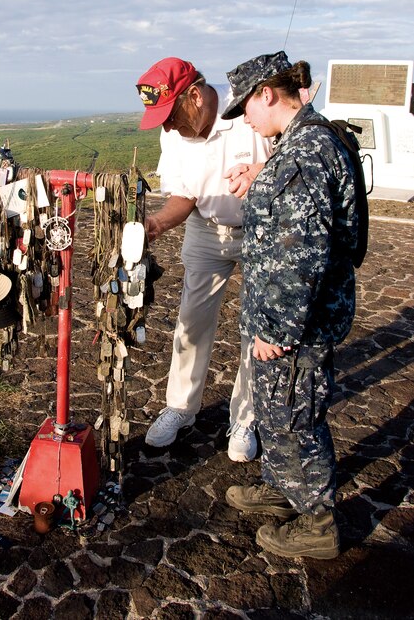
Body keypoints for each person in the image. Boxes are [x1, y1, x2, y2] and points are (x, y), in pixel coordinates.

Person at [222, 51, 358, 559]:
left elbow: (301, 254)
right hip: (286, 316)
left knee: (298, 415)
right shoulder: (298, 144)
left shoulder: (304, 152)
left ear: (266, 93)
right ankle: (282, 490)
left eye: (245, 108)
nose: (245, 120)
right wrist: (261, 176)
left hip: (296, 323)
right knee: (276, 411)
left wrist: (276, 330)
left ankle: (318, 522)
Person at [136, 57, 271, 460]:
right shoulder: (174, 134)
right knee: (191, 320)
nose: (167, 126)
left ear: (194, 96)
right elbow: (184, 196)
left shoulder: (247, 110)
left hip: (262, 230)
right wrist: (157, 223)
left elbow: (292, 157)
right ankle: (180, 407)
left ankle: (245, 418)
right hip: (205, 228)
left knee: (257, 326)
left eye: (170, 114)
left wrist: (260, 169)